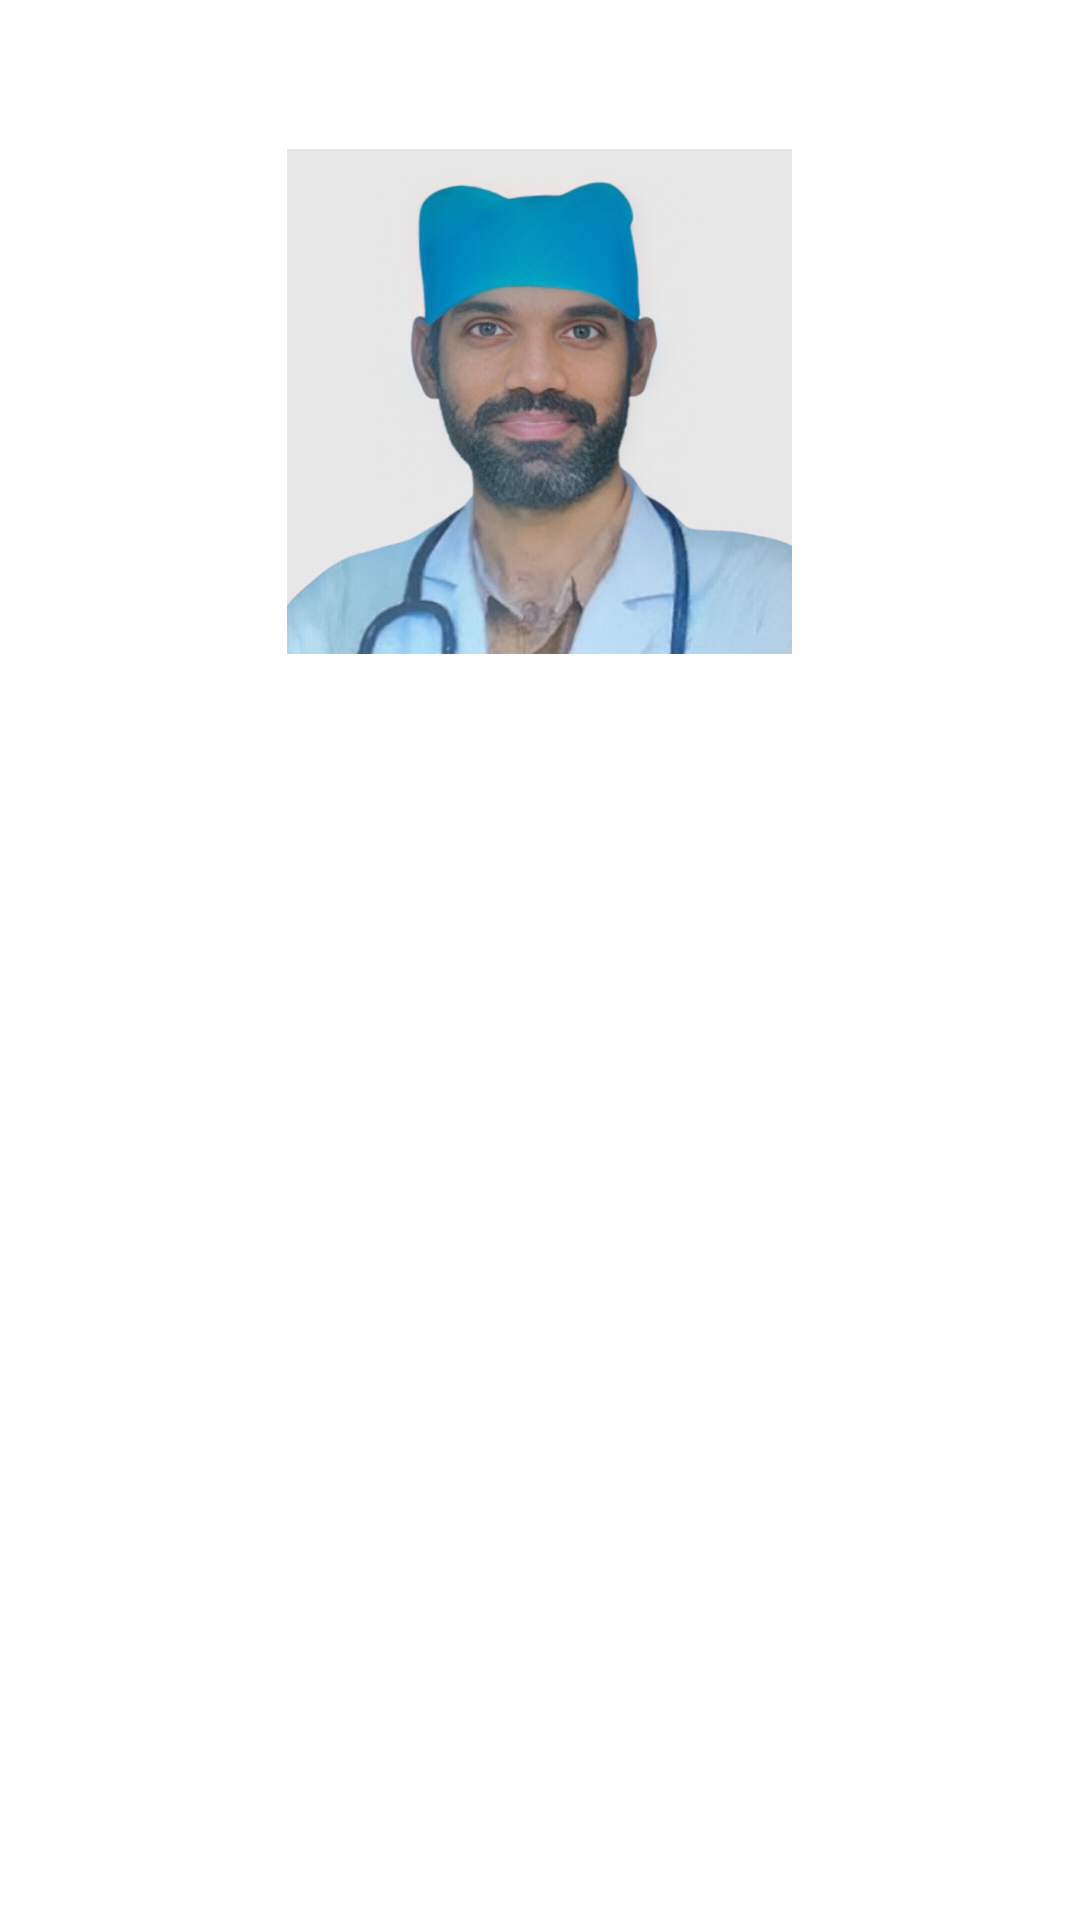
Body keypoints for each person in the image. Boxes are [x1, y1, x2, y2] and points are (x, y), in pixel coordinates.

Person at [287, 183, 791, 655]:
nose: (535, 376)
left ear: (639, 359)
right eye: (488, 329)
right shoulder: (332, 616)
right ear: (426, 361)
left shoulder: (772, 603)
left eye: (582, 332)